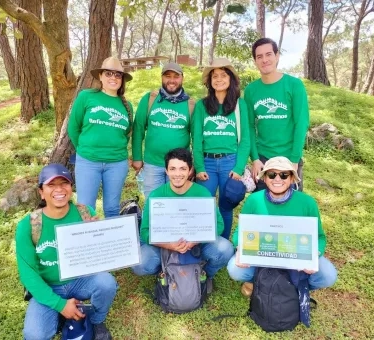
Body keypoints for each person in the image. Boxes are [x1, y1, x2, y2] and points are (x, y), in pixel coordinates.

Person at [16, 164, 117, 340]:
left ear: (71, 188)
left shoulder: (85, 213)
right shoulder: (28, 225)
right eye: (51, 185)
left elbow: (98, 257)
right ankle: (59, 313)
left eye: (64, 183)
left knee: (106, 283)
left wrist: (96, 236)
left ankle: (97, 320)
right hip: (49, 285)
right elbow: (28, 275)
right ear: (41, 192)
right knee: (34, 335)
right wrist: (60, 305)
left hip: (80, 279)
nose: (59, 189)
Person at [226, 156, 337, 296]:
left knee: (328, 275)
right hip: (262, 254)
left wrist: (315, 254)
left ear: (291, 179)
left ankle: (295, 287)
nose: (277, 179)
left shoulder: (308, 203)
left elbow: (319, 237)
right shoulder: (254, 200)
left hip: (295, 256)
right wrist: (240, 247)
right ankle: (258, 282)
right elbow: (239, 231)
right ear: (264, 179)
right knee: (234, 269)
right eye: (272, 174)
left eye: (284, 175)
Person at [132, 148, 234, 289]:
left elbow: (219, 224)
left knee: (225, 249)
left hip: (196, 245)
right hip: (165, 246)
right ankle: (165, 272)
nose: (177, 174)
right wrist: (168, 244)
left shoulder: (202, 193)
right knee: (140, 263)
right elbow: (145, 231)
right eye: (172, 169)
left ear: (190, 170)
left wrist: (195, 240)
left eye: (182, 169)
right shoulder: (156, 195)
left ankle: (205, 273)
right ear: (166, 171)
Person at [192, 58, 250, 239]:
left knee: (226, 205)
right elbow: (197, 138)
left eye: (223, 75)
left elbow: (245, 140)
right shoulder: (202, 105)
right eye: (214, 76)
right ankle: (204, 242)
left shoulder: (240, 105)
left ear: (231, 78)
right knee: (204, 205)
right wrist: (199, 167)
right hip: (207, 163)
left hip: (230, 162)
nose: (218, 79)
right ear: (209, 81)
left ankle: (223, 243)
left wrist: (239, 168)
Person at [68, 57, 133, 217]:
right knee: (86, 208)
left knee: (112, 208)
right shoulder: (86, 96)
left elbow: (126, 133)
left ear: (122, 80)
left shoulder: (127, 106)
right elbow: (73, 127)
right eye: (109, 74)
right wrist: (85, 149)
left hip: (117, 163)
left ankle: (110, 242)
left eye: (118, 75)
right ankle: (86, 241)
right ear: (100, 76)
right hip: (88, 161)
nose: (113, 78)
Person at [245, 38, 309, 191]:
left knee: (290, 209)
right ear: (255, 61)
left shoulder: (294, 85)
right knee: (263, 208)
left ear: (277, 56)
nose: (264, 60)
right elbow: (248, 126)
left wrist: (294, 160)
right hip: (263, 158)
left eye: (268, 54)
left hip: (288, 157)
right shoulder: (251, 90)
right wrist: (254, 158)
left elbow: (301, 123)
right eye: (259, 57)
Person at [132, 62, 194, 199]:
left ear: (182, 78)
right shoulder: (150, 99)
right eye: (167, 76)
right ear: (162, 77)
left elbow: (196, 137)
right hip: (152, 164)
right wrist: (137, 157)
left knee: (177, 206)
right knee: (153, 204)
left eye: (176, 77)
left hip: (179, 167)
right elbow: (138, 129)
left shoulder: (190, 104)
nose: (171, 80)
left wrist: (193, 164)